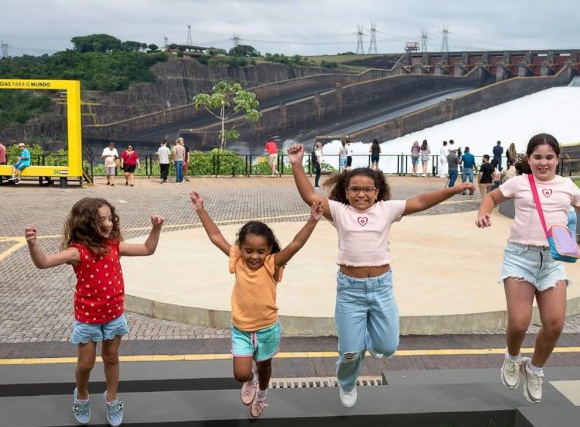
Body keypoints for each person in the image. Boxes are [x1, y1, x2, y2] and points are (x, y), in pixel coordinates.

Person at [287, 143, 472, 408]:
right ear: (345, 191)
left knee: (386, 349)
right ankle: (348, 384)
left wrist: (454, 189)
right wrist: (296, 163)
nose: (361, 194)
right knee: (350, 353)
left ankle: (368, 342)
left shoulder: (386, 209)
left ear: (377, 192)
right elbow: (309, 195)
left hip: (381, 288)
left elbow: (420, 201)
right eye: (354, 189)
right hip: (350, 291)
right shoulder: (340, 212)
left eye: (367, 190)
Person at [475, 133, 580, 404]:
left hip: (551, 261)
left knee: (554, 324)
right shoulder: (519, 183)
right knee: (519, 322)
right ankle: (512, 358)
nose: (543, 163)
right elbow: (491, 198)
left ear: (557, 159)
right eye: (537, 157)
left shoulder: (567, 185)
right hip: (520, 257)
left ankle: (535, 369)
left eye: (549, 157)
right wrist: (483, 213)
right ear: (528, 158)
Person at [24, 197, 164, 426]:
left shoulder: (115, 245)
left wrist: (155, 229)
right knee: (86, 363)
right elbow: (44, 262)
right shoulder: (77, 252)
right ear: (87, 223)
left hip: (114, 316)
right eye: (102, 220)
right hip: (88, 319)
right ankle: (81, 394)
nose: (109, 224)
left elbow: (148, 249)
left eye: (110, 218)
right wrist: (33, 245)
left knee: (111, 358)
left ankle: (112, 398)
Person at [189, 191, 322, 418]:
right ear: (241, 248)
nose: (254, 256)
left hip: (267, 328)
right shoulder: (237, 260)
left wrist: (312, 220)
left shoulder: (272, 264)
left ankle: (261, 393)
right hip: (241, 328)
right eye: (249, 250)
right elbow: (215, 236)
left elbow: (295, 244)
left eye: (261, 251)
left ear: (269, 250)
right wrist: (201, 209)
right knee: (241, 373)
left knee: (265, 367)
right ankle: (250, 382)